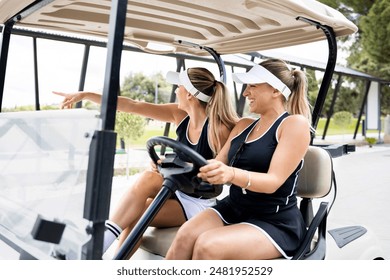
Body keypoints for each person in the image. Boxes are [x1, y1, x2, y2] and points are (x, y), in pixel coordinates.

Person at [53, 67, 238, 256]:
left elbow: (218, 176)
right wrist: (86, 95)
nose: (175, 90)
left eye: (179, 86)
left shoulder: (218, 129)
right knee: (146, 184)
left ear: (190, 94)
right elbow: (133, 105)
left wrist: (174, 165)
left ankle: (97, 247)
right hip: (176, 190)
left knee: (137, 210)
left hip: (197, 203)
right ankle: (105, 255)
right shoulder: (179, 115)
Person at [165, 58, 312, 260]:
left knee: (208, 246)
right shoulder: (243, 125)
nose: (245, 93)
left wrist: (231, 174)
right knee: (185, 235)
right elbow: (215, 164)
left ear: (276, 91)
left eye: (252, 86)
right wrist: (170, 165)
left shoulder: (294, 124)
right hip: (234, 207)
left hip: (273, 220)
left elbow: (273, 182)